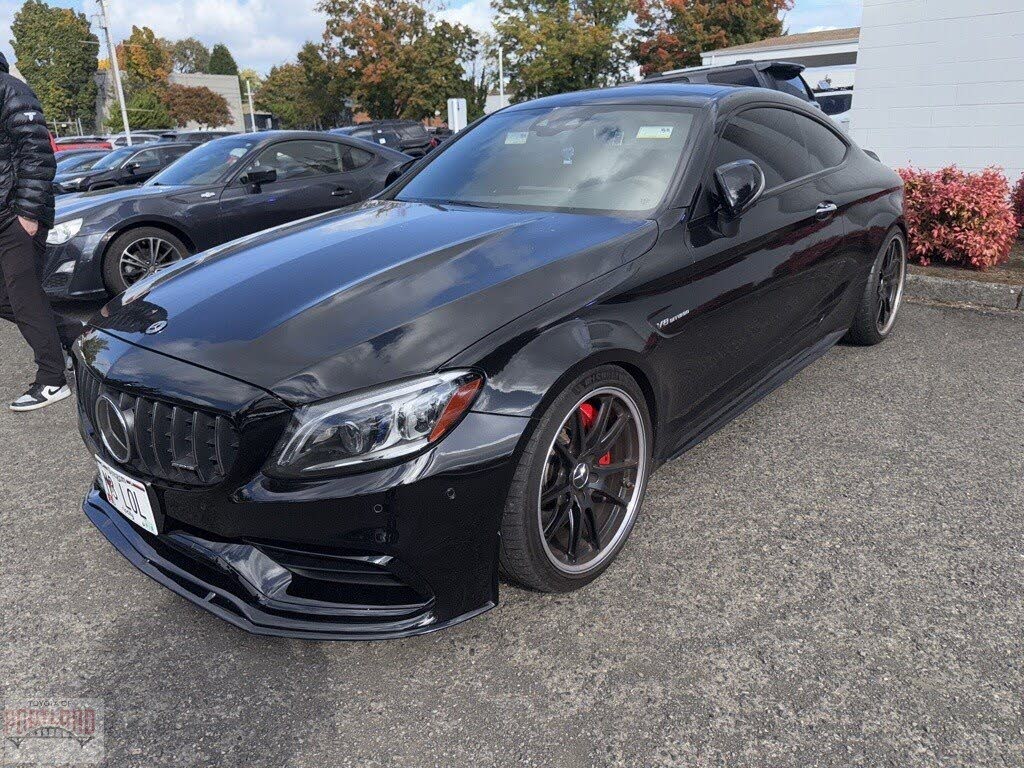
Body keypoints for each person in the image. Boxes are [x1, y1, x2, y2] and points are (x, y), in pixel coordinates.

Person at [0, 52, 82, 412]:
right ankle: (77, 336)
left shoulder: (10, 89)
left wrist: (28, 213)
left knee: (25, 296)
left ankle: (52, 380)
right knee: (10, 299)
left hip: (16, 213)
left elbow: (37, 151)